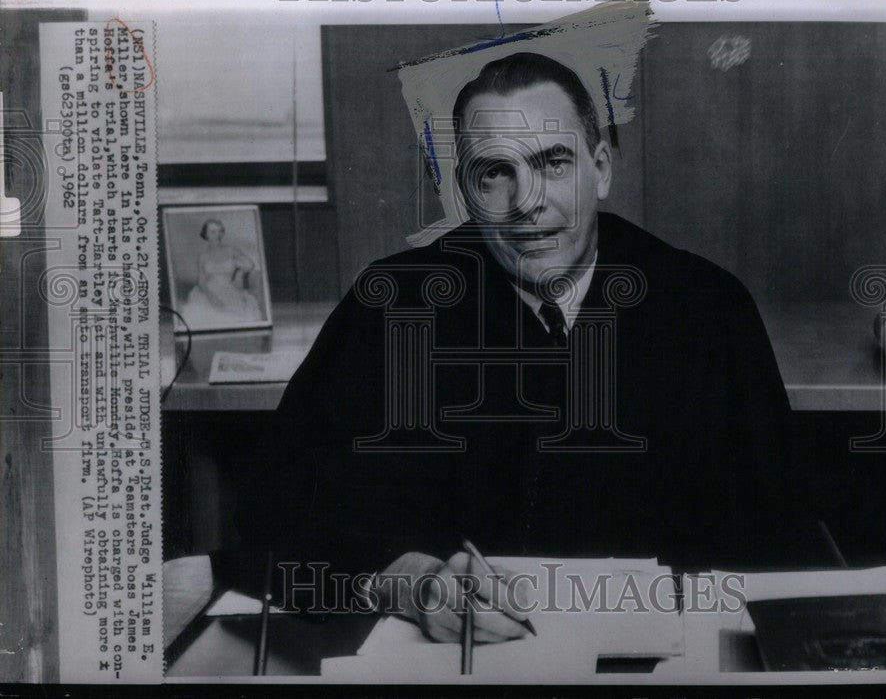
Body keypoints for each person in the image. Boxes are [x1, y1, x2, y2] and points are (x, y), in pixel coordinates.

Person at [234, 52, 821, 643]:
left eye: (553, 162)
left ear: (601, 168)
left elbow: (780, 542)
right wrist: (412, 583)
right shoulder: (388, 310)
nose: (525, 202)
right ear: (466, 188)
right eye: (495, 172)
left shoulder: (707, 309)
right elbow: (279, 527)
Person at [182, 218, 262, 327]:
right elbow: (201, 281)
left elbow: (250, 264)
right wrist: (212, 299)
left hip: (230, 289)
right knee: (201, 315)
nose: (218, 235)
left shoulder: (231, 250)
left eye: (220, 231)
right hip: (209, 291)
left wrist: (240, 271)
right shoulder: (202, 256)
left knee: (236, 316)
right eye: (213, 232)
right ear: (206, 235)